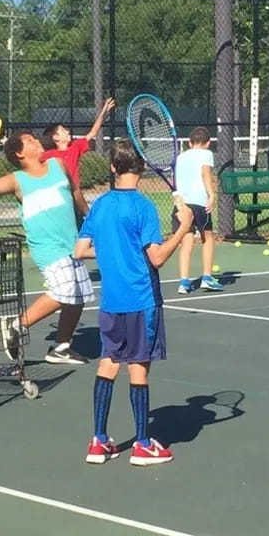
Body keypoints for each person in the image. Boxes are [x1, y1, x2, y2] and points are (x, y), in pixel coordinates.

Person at [75, 139, 193, 466]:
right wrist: (183, 228)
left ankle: (99, 441)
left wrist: (114, 250)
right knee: (139, 366)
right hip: (141, 299)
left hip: (111, 302)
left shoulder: (100, 205)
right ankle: (142, 445)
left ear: (113, 167)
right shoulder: (143, 207)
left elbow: (80, 250)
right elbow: (157, 258)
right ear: (141, 167)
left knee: (109, 362)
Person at [0, 131, 94, 365]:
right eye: (29, 141)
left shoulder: (58, 165)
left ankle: (61, 348)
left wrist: (91, 217)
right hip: (47, 247)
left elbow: (75, 191)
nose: (37, 141)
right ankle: (16, 325)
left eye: (34, 138)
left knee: (78, 295)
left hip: (71, 242)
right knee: (65, 290)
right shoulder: (18, 180)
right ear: (19, 153)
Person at [41, 97, 116, 220]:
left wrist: (104, 112)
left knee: (80, 223)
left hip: (75, 196)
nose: (67, 131)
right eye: (62, 130)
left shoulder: (75, 147)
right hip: (58, 198)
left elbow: (93, 132)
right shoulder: (49, 155)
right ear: (55, 138)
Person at [173, 126, 222, 294]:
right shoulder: (206, 154)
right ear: (208, 143)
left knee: (186, 241)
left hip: (181, 204)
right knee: (207, 237)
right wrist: (212, 195)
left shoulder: (180, 157)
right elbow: (205, 174)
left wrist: (178, 200)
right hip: (199, 202)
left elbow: (177, 181)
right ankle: (207, 277)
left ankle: (184, 282)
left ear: (189, 142)